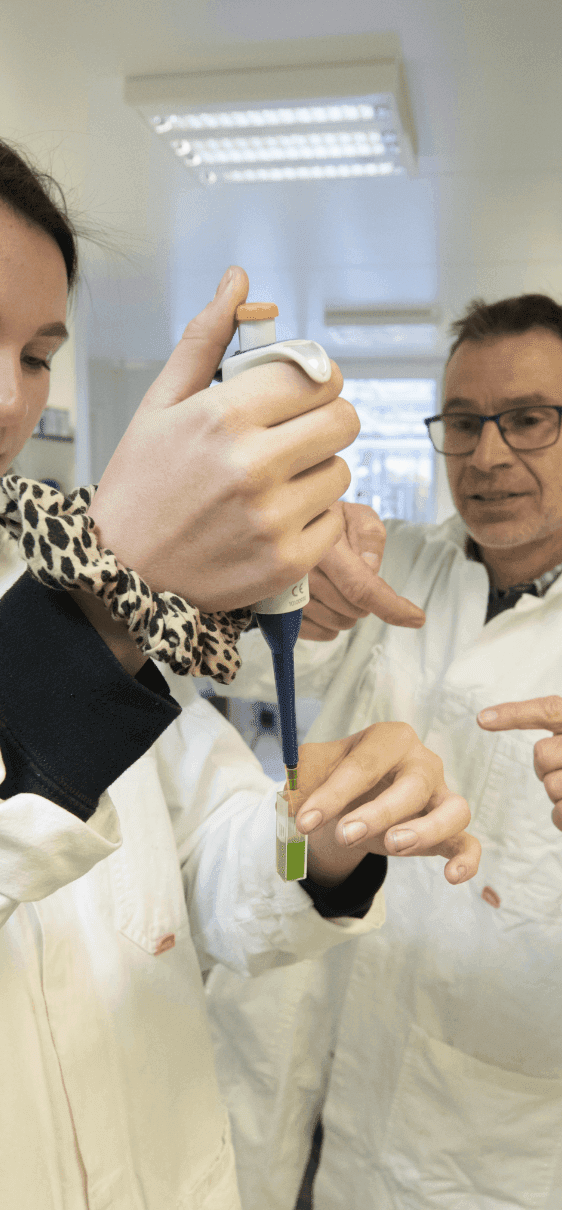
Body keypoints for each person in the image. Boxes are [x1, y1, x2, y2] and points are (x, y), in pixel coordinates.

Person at [0, 96, 481, 1210]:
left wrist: (323, 848)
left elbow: (221, 873)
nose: (5, 398)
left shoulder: (32, 567)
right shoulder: (82, 593)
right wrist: (111, 591)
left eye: (39, 353)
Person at [208, 292, 562, 1210]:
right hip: (320, 1041)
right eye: (463, 423)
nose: (488, 456)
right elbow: (232, 662)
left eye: (529, 421)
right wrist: (283, 571)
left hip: (490, 1120)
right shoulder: (392, 561)